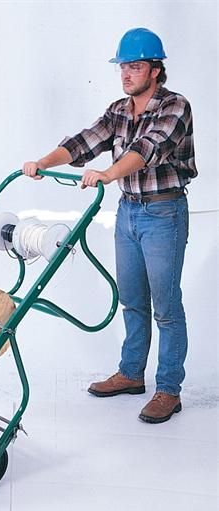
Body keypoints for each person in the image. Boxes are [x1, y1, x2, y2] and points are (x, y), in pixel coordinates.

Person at [22, 27, 197, 424]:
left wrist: (108, 173)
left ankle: (169, 390)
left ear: (155, 69)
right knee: (131, 300)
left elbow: (148, 148)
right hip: (128, 213)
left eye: (134, 67)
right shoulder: (119, 110)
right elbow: (85, 141)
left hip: (164, 214)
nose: (126, 74)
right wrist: (43, 162)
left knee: (166, 307)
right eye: (123, 67)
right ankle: (132, 374)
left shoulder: (175, 106)